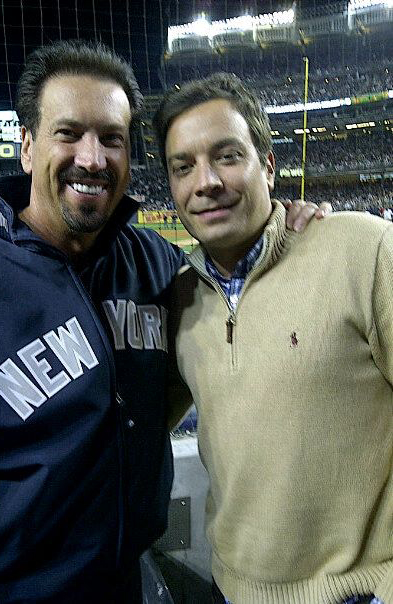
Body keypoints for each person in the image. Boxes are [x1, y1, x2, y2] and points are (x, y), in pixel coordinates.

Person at [0, 42, 328, 603]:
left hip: (129, 584)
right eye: (68, 133)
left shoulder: (158, 265)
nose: (93, 158)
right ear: (26, 147)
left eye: (112, 138)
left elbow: (244, 300)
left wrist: (288, 231)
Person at [153, 73, 393, 604]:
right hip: (230, 588)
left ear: (268, 165)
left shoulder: (365, 250)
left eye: (228, 156)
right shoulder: (181, 300)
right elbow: (139, 419)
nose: (206, 181)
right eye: (182, 167)